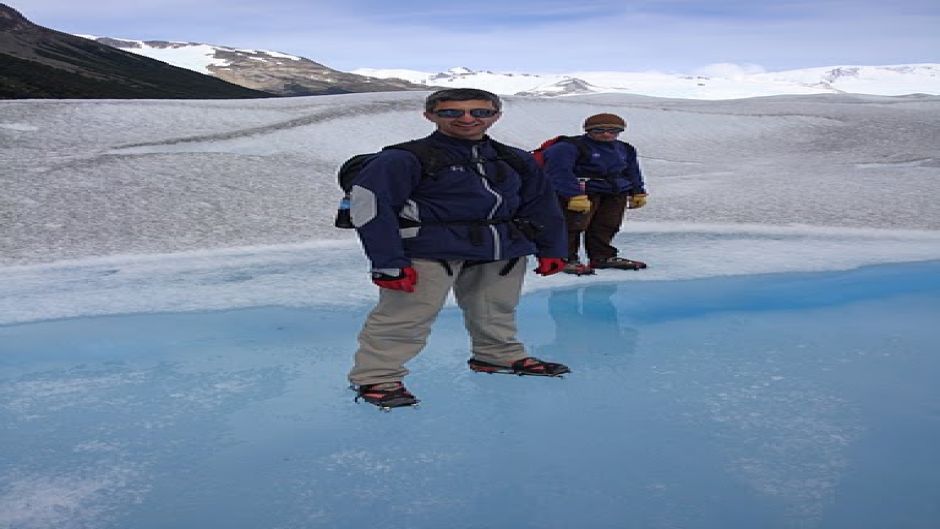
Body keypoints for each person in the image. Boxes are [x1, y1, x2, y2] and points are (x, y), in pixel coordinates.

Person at [346, 88, 570, 409]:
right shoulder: (403, 159)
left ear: (496, 116)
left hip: (501, 247)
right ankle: (376, 376)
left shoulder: (514, 159)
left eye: (480, 112)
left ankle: (497, 356)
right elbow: (369, 208)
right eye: (452, 112)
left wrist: (552, 247)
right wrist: (388, 261)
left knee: (495, 308)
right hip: (428, 250)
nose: (467, 119)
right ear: (430, 116)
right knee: (406, 316)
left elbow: (541, 204)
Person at [542, 113, 648, 275]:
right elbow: (558, 172)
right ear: (588, 130)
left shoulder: (625, 148)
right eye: (599, 130)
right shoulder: (568, 147)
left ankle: (602, 257)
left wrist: (638, 192)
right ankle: (565, 259)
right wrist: (573, 195)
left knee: (607, 225)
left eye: (613, 130)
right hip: (583, 192)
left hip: (614, 191)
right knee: (572, 226)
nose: (606, 134)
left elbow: (632, 170)